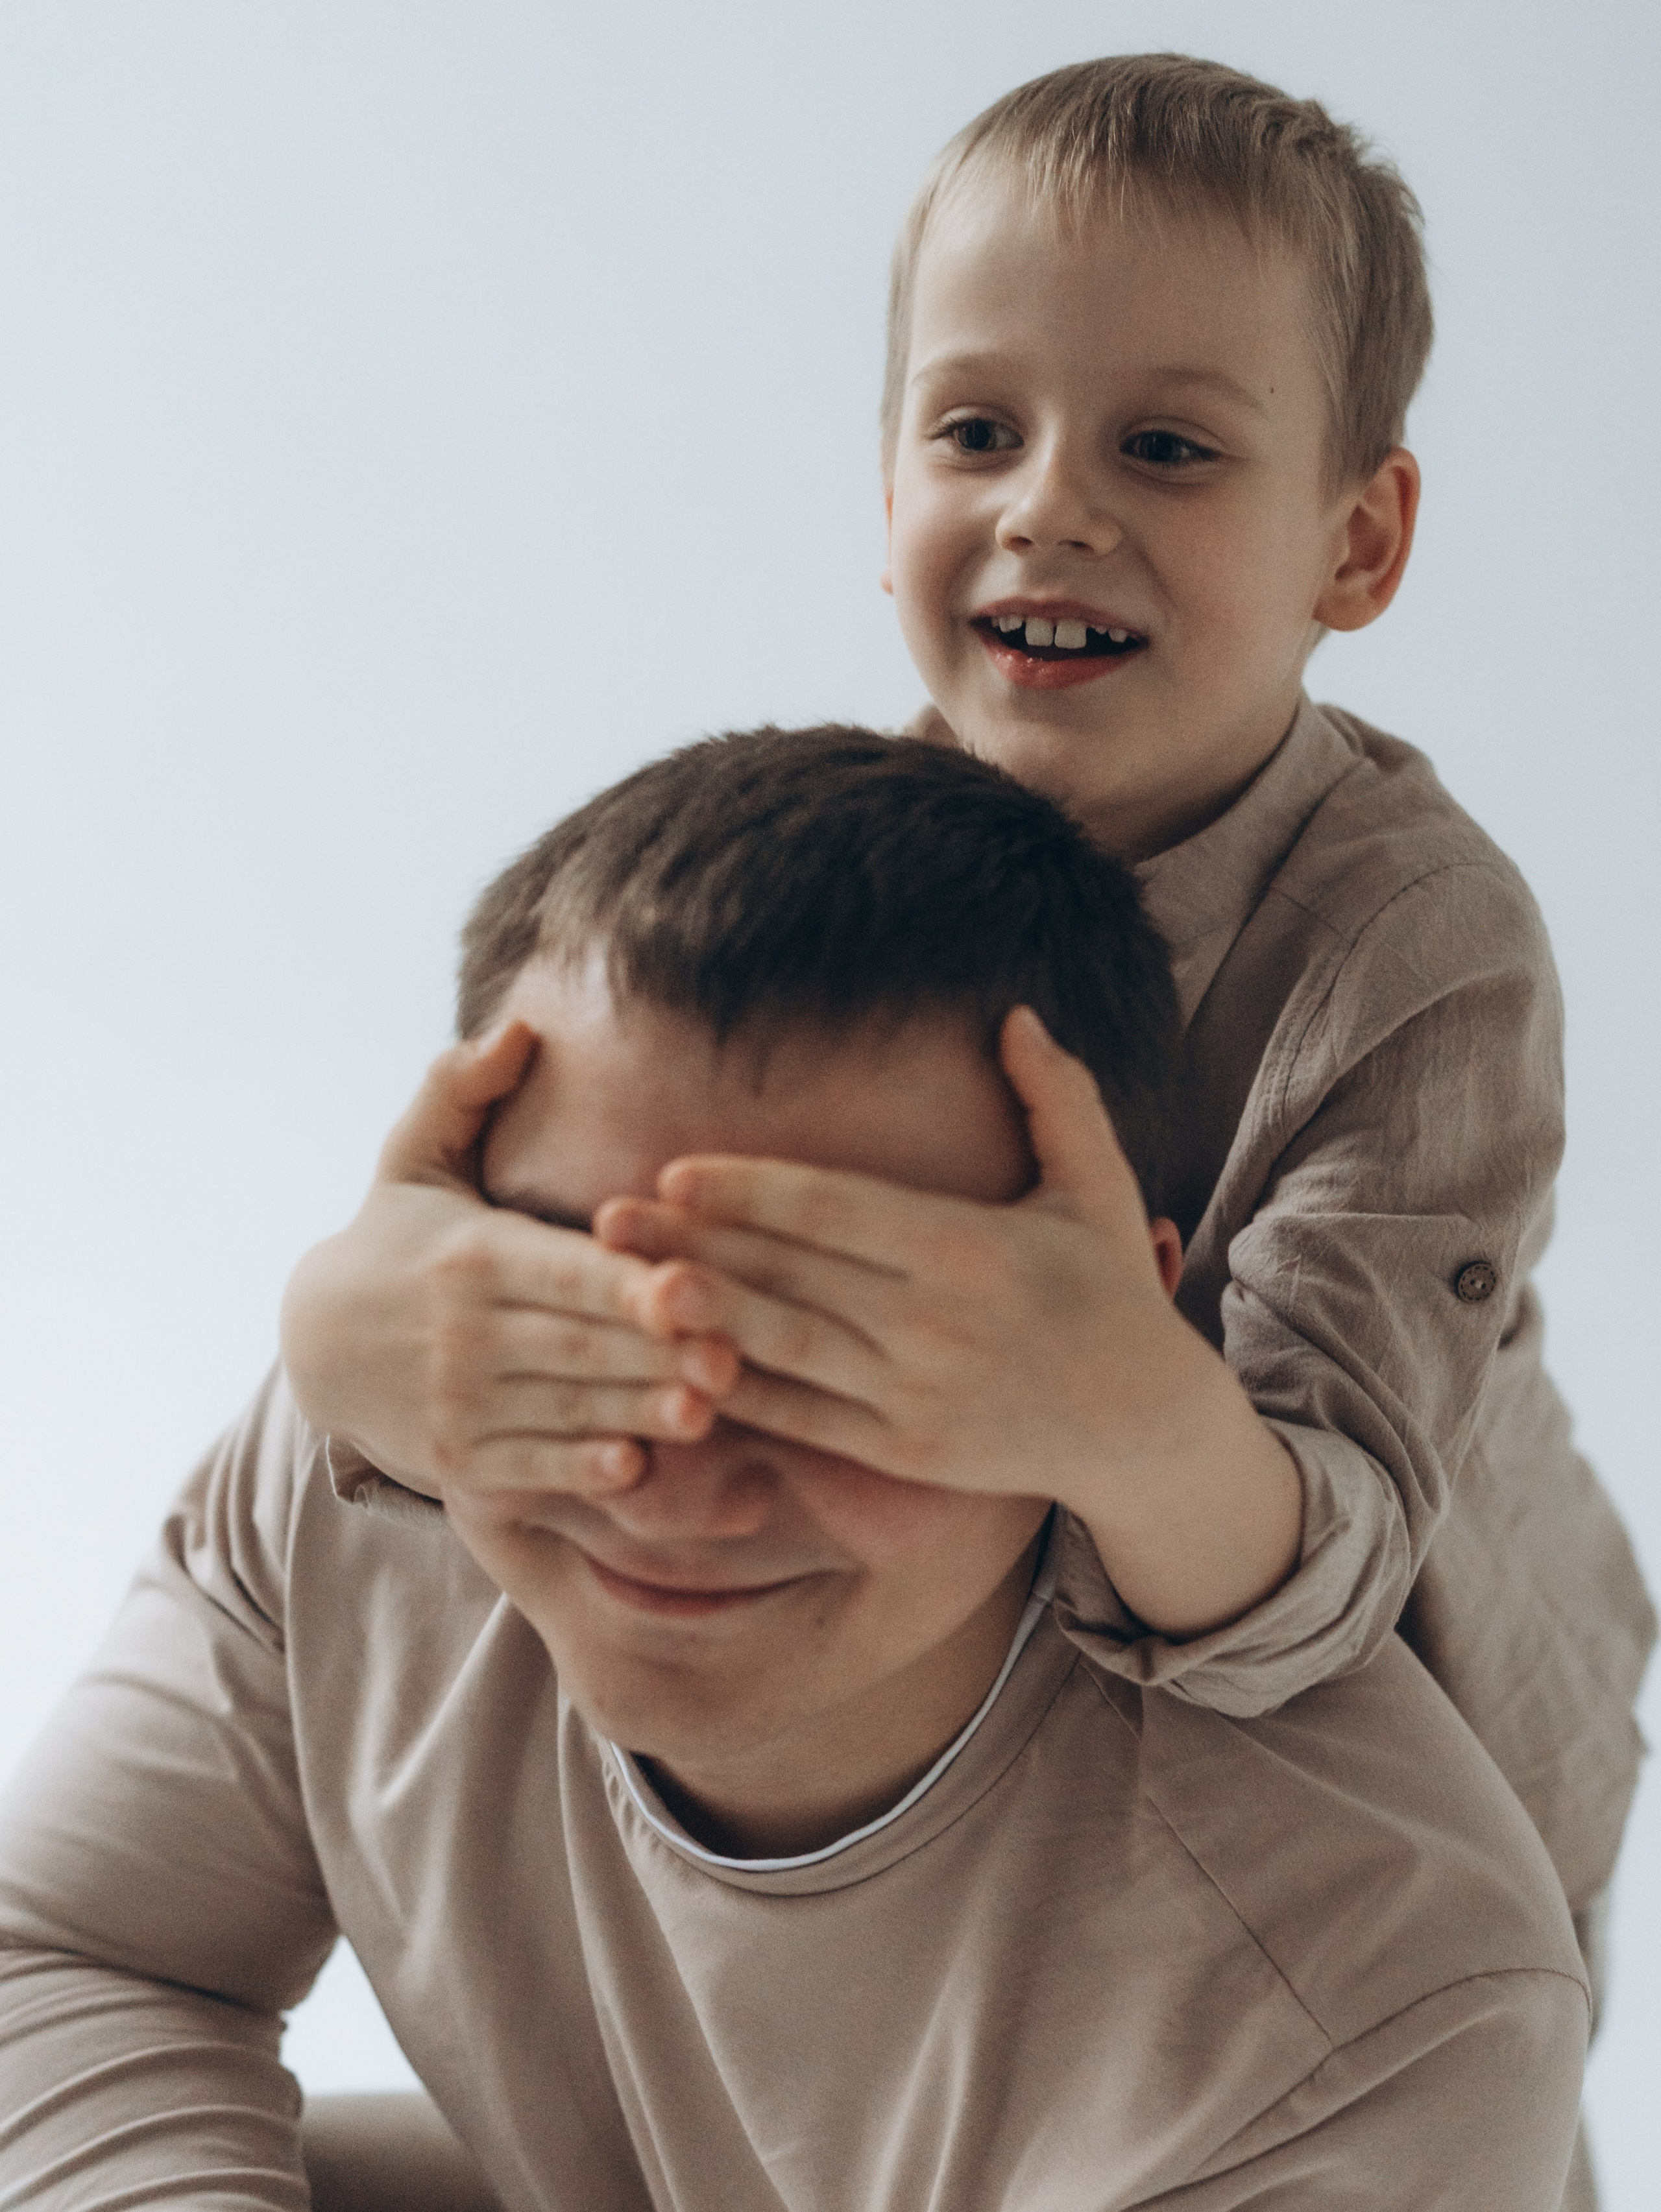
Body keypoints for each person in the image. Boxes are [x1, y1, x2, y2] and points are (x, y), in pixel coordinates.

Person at [278, 53, 1653, 2062]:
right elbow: (596, 1215)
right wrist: (357, 1333)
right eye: (976, 430)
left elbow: (1334, 1521)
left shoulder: (1418, 946)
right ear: (888, 492)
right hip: (999, 1711)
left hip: (1386, 1687)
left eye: (1167, 448)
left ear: (1357, 545)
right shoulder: (843, 863)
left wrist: (1108, 1411)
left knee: (1400, 2082)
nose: (1049, 507)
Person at [0, 730, 1591, 2209]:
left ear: (1120, 1338)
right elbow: (70, 1955)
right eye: (577, 1303)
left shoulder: (1381, 2020)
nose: (666, 1482)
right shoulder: (400, 1413)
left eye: (841, 1344)